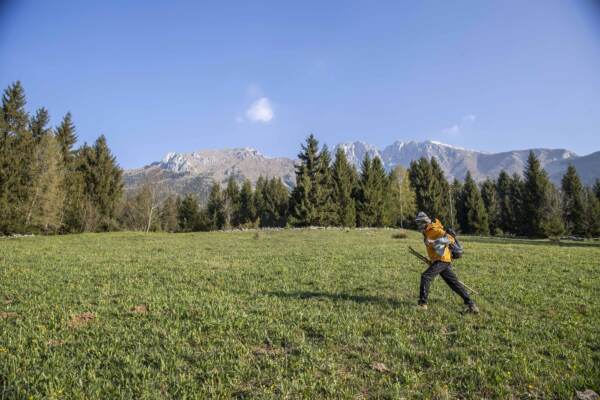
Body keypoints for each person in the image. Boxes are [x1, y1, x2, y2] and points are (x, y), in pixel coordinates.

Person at [415, 211, 479, 313]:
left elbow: (450, 239)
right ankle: (471, 305)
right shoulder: (427, 232)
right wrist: (432, 260)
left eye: (419, 223)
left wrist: (433, 242)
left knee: (425, 276)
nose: (418, 225)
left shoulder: (435, 229)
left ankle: (423, 304)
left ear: (425, 222)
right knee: (453, 283)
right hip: (440, 260)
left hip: (442, 259)